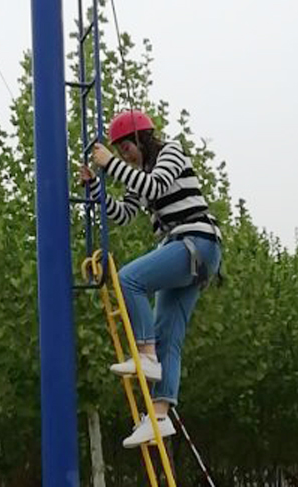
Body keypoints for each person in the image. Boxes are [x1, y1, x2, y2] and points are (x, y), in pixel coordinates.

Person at [79, 109, 222, 448]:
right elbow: (124, 214)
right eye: (121, 151)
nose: (125, 156)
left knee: (129, 279)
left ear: (143, 139)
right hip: (188, 252)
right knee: (167, 336)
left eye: (127, 148)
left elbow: (156, 187)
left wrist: (110, 163)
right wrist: (96, 185)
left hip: (196, 241)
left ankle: (145, 357)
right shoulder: (138, 174)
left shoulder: (171, 152)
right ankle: (159, 416)